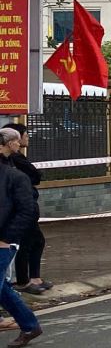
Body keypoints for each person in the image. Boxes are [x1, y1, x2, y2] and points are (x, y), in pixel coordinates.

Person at [0, 128, 43, 348]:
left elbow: (27, 211)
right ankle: (29, 326)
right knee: (3, 290)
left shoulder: (15, 176)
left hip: (4, 243)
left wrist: (7, 239)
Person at [6, 126, 49, 295]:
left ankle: (32, 278)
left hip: (26, 207)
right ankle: (24, 281)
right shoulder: (13, 160)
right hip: (20, 210)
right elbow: (34, 175)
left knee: (34, 241)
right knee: (28, 243)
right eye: (23, 136)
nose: (24, 140)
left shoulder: (15, 158)